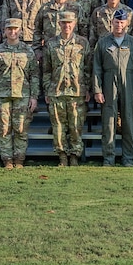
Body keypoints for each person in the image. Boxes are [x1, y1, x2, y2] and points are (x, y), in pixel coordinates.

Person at [93, 8, 133, 166]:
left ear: (127, 24)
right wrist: (97, 89)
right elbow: (96, 67)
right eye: (116, 22)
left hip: (128, 83)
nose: (119, 25)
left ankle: (128, 158)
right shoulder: (103, 42)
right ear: (111, 23)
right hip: (109, 82)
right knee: (109, 121)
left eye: (122, 22)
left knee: (129, 121)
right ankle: (109, 158)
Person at [0, 18, 40, 169]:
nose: (12, 32)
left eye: (15, 29)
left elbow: (34, 75)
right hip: (2, 95)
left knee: (21, 129)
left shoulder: (27, 51)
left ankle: (19, 159)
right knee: (4, 129)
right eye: (9, 29)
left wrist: (34, 97)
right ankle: (7, 159)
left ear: (20, 31)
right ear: (4, 31)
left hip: (23, 95)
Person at [43, 11, 93, 166]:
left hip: (77, 92)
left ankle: (75, 155)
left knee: (76, 126)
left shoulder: (82, 43)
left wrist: (87, 89)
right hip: (56, 91)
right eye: (64, 22)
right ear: (59, 24)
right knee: (58, 127)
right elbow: (46, 70)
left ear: (74, 24)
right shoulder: (51, 44)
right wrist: (47, 90)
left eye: (69, 23)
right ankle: (62, 156)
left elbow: (88, 68)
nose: (67, 25)